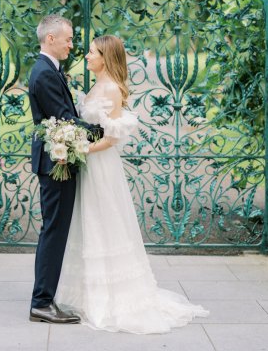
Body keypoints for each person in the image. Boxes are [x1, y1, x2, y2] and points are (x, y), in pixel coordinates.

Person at [55, 35, 209, 334]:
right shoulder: (96, 84)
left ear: (105, 57)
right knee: (88, 224)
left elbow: (111, 139)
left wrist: (80, 149)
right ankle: (87, 293)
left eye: (91, 52)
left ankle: (111, 298)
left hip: (101, 167)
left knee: (103, 223)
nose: (87, 56)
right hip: (89, 166)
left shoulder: (111, 88)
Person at [28, 15, 103, 324]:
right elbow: (63, 118)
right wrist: (100, 131)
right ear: (51, 40)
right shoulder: (44, 73)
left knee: (55, 230)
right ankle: (41, 302)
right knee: (54, 231)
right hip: (55, 163)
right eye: (69, 39)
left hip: (60, 161)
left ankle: (45, 298)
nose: (72, 45)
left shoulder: (49, 70)